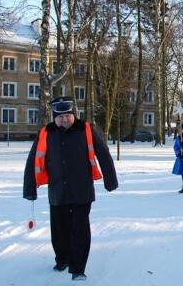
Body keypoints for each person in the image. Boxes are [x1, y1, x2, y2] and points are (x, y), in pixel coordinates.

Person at [23, 96, 118, 281]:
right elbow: (32, 161)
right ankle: (63, 259)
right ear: (54, 117)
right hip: (57, 192)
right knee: (59, 230)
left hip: (82, 191)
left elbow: (104, 154)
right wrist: (29, 189)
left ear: (73, 115)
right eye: (60, 117)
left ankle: (78, 268)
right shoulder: (45, 133)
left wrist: (110, 179)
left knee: (79, 229)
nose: (64, 119)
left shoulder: (86, 130)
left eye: (67, 115)